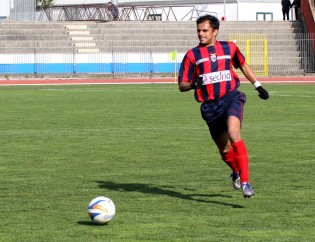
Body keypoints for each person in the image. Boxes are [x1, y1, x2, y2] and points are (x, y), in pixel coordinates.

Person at [178, 14, 269, 199]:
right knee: (225, 150)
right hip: (210, 107)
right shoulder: (192, 55)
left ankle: (246, 183)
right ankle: (236, 172)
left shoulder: (230, 47)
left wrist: (257, 85)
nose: (201, 34)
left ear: (215, 31)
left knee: (235, 134)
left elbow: (243, 65)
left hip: (231, 97)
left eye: (205, 30)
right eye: (198, 31)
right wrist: (195, 83)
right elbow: (182, 85)